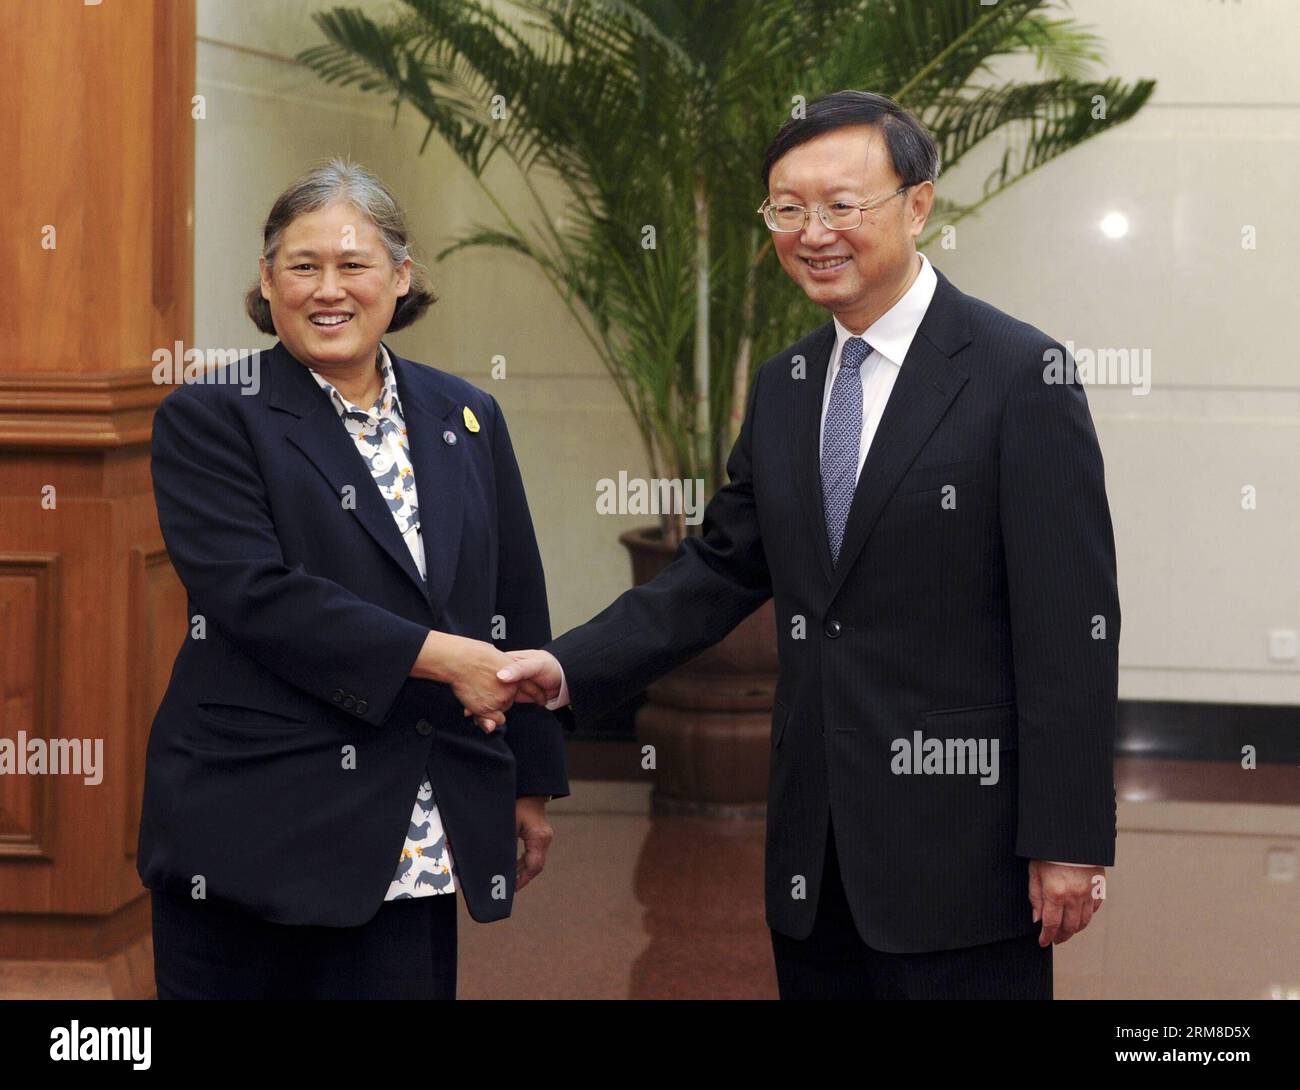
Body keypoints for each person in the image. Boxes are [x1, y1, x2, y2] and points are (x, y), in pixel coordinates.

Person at [502, 91, 1119, 1000]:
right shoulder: (788, 382)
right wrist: (562, 670)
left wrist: (1067, 839)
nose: (811, 231)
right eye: (787, 209)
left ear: (917, 205)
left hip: (963, 848)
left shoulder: (1020, 376)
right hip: (812, 849)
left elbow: (1072, 627)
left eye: (842, 204)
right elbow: (717, 571)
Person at [138, 158, 566, 999]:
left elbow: (516, 595)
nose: (326, 289)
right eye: (302, 266)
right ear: (267, 281)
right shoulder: (212, 416)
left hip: (416, 812)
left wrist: (533, 780)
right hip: (258, 818)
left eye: (353, 264)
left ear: (401, 278)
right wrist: (446, 658)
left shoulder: (466, 414)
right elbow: (256, 597)